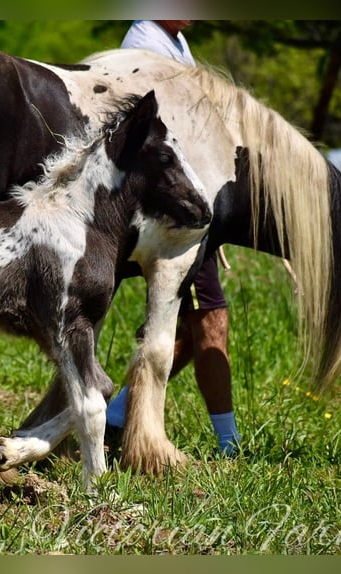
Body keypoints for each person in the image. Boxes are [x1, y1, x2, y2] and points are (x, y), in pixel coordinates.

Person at [105, 20, 242, 456]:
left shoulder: (174, 40)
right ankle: (228, 444)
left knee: (191, 325)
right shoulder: (145, 41)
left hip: (186, 205)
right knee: (209, 320)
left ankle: (117, 415)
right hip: (171, 210)